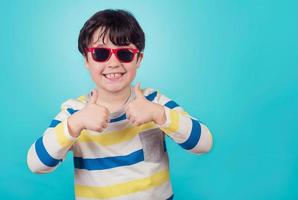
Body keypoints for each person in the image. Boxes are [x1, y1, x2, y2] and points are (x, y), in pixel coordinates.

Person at [27, 9, 213, 200]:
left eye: (124, 53)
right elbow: (36, 164)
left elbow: (204, 144)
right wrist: (75, 124)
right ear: (86, 59)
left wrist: (160, 115)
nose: (113, 63)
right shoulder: (75, 112)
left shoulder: (155, 102)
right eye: (100, 53)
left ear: (138, 59)